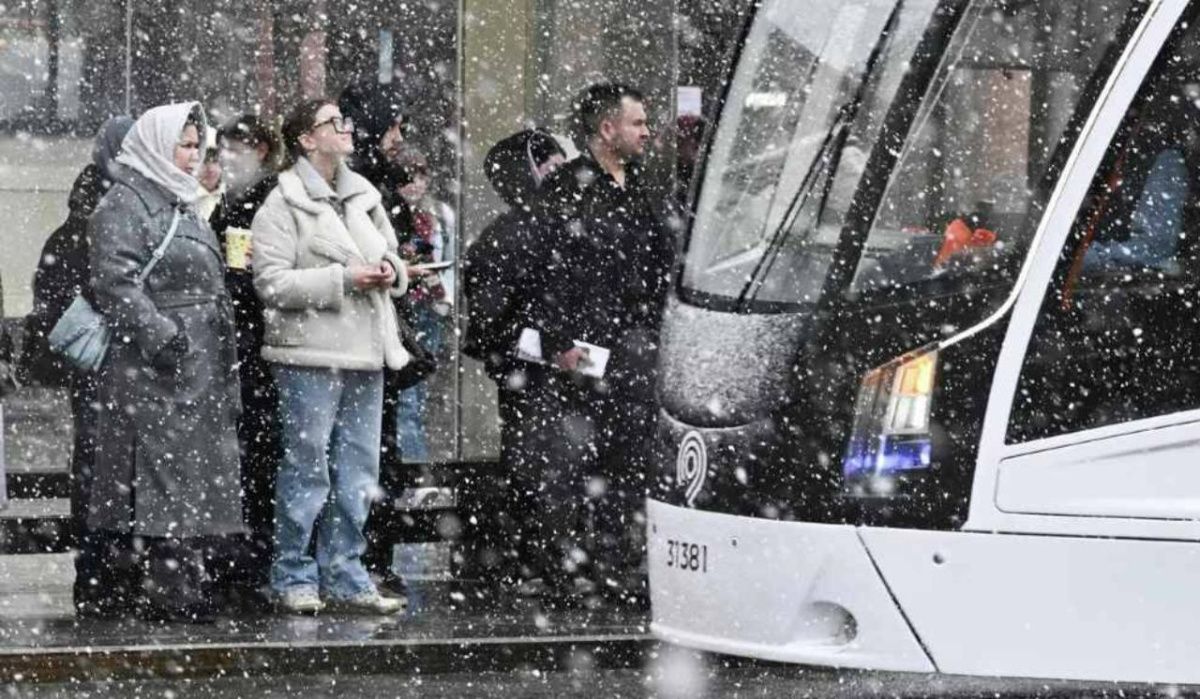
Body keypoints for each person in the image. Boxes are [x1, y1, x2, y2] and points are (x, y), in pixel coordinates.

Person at [251, 97, 418, 615]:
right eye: (331, 123)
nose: (344, 129)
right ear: (306, 139)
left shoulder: (362, 194)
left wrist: (392, 272)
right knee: (307, 466)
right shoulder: (281, 204)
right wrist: (345, 279)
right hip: (309, 353)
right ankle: (293, 572)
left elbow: (393, 256)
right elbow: (271, 283)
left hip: (365, 351)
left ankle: (346, 570)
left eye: (344, 121)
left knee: (359, 468)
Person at [88, 102, 244, 623]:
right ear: (157, 145)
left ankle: (182, 580)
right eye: (185, 144)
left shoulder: (182, 202)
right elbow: (115, 282)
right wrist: (162, 336)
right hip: (157, 366)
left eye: (198, 146)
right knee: (164, 473)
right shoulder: (126, 203)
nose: (194, 155)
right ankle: (168, 586)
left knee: (190, 472)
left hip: (198, 360)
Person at [526, 83, 676, 607]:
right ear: (607, 129)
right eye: (637, 122)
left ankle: (621, 565)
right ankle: (567, 570)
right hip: (582, 347)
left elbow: (659, 265)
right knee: (570, 461)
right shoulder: (565, 191)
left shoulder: (642, 188)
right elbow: (543, 271)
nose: (646, 131)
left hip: (634, 348)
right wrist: (559, 342)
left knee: (630, 460)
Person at [19, 115, 134, 618]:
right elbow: (57, 293)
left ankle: (111, 572)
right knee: (100, 465)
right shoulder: (96, 215)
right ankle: (100, 573)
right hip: (103, 366)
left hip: (122, 365)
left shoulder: (122, 204)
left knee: (112, 466)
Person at [462, 128, 567, 585]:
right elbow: (491, 328)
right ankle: (539, 562)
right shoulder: (506, 238)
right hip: (535, 382)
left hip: (569, 380)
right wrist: (552, 352)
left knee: (553, 472)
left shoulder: (567, 225)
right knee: (536, 473)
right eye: (553, 166)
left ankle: (552, 562)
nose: (565, 176)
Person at [207, 114, 283, 605]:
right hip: (240, 350)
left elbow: (245, 279)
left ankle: (252, 558)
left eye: (240, 149)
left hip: (255, 349)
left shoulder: (261, 202)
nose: (230, 160)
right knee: (248, 460)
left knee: (258, 459)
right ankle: (243, 557)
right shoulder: (231, 204)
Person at [382, 148, 452, 463]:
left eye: (421, 176)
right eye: (409, 177)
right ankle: (411, 462)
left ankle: (413, 460)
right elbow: (409, 253)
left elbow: (439, 254)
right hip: (404, 308)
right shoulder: (389, 212)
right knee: (407, 395)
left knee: (418, 393)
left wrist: (445, 298)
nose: (416, 184)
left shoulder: (438, 214)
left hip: (430, 307)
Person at [196, 127, 224, 220]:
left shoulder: (230, 200)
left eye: (215, 161)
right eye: (204, 161)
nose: (210, 169)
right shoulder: (183, 200)